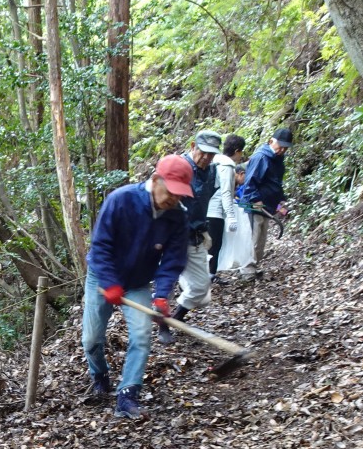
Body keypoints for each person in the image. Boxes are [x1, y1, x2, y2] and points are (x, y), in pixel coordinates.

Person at [82, 155, 192, 419]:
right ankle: (99, 374)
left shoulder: (177, 217)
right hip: (102, 279)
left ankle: (128, 394)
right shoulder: (121, 200)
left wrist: (162, 294)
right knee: (91, 340)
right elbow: (100, 247)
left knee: (141, 336)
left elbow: (173, 259)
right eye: (171, 192)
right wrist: (110, 283)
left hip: (138, 283)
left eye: (180, 195)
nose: (174, 200)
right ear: (155, 181)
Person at [168, 130, 223, 336]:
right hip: (174, 235)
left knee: (202, 293)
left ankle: (174, 318)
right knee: (167, 280)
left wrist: (204, 228)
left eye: (212, 154)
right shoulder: (179, 167)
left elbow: (202, 202)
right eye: (204, 152)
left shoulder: (212, 172)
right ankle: (169, 323)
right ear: (193, 146)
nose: (207, 157)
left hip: (196, 234)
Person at [238, 127, 293, 281]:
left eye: (285, 147)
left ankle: (253, 267)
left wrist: (280, 201)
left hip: (267, 207)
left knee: (260, 241)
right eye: (280, 145)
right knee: (252, 238)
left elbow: (276, 184)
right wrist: (256, 199)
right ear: (271, 141)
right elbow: (250, 182)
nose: (282, 150)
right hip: (254, 206)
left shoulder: (278, 160)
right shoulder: (261, 157)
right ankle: (246, 271)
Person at [205, 134, 247, 286]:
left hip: (206, 208)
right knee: (214, 246)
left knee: (208, 245)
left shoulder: (215, 161)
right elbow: (226, 192)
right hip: (215, 211)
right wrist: (231, 216)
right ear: (237, 151)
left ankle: (209, 275)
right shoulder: (227, 165)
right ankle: (208, 276)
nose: (241, 155)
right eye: (241, 152)